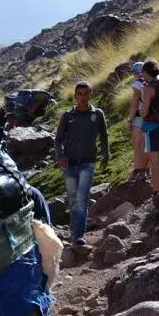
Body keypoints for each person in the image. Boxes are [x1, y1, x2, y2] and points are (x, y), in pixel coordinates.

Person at [54, 80, 111, 246]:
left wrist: (105, 155)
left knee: (82, 198)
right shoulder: (67, 116)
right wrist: (61, 157)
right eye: (80, 94)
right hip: (69, 164)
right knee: (72, 200)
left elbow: (104, 136)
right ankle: (74, 232)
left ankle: (79, 236)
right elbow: (57, 141)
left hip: (88, 162)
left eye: (86, 93)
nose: (83, 97)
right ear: (75, 96)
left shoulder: (98, 114)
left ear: (91, 94)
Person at [139, 59, 159, 194]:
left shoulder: (148, 88)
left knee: (155, 160)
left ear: (145, 72)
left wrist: (140, 112)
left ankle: (157, 191)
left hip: (152, 126)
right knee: (155, 158)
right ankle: (158, 188)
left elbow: (144, 111)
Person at [126, 61, 148, 180]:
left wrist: (130, 120)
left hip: (141, 116)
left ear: (135, 73)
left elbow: (134, 104)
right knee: (149, 144)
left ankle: (138, 170)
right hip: (156, 117)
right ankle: (149, 169)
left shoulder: (138, 84)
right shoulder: (157, 80)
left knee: (138, 144)